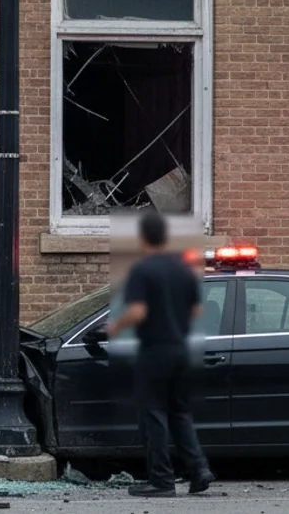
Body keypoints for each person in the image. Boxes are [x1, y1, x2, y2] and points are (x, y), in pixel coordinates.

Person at [107, 211, 215, 497]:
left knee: (153, 415)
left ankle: (161, 481)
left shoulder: (143, 271)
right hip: (180, 349)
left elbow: (138, 311)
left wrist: (116, 326)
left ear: (142, 238)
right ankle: (199, 470)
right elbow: (196, 310)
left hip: (154, 351)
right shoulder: (183, 269)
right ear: (165, 237)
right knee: (179, 412)